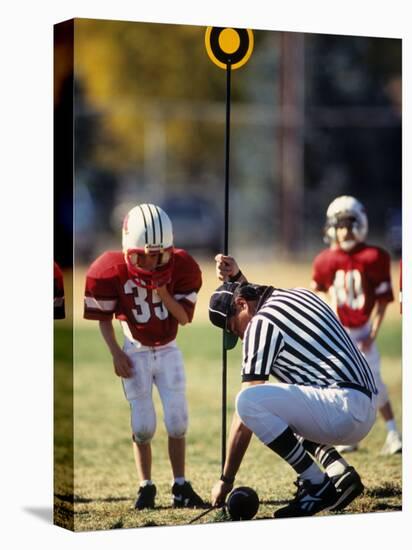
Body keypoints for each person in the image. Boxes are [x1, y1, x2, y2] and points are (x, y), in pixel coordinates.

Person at [208, 254, 378, 518]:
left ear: (242, 304)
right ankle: (337, 472)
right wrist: (239, 278)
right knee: (283, 398)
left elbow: (244, 416)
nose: (240, 337)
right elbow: (256, 297)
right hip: (363, 405)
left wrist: (226, 478)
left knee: (249, 402)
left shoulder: (260, 325)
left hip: (341, 411)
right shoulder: (297, 295)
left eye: (234, 329)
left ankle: (316, 485)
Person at [83, 203, 204, 510]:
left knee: (178, 421)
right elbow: (104, 319)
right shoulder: (109, 270)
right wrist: (115, 353)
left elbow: (185, 318)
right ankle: (145, 486)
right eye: (143, 255)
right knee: (143, 425)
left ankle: (180, 485)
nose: (151, 262)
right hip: (135, 350)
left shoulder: (182, 266)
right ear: (128, 249)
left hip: (167, 349)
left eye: (159, 254)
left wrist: (164, 294)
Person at [311, 196, 402, 455]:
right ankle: (349, 436)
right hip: (339, 333)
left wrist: (372, 333)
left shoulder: (374, 257)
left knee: (375, 384)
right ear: (331, 228)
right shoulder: (324, 260)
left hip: (362, 331)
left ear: (360, 225)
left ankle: (394, 433)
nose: (345, 231)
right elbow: (316, 292)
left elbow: (384, 300)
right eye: (340, 225)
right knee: (340, 386)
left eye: (350, 225)